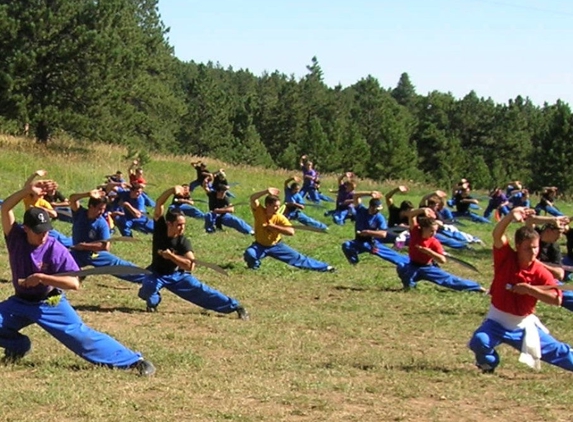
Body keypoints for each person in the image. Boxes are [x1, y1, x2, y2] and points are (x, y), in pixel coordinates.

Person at [0, 178, 155, 375]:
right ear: (26, 229)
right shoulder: (15, 237)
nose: (44, 236)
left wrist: (42, 278)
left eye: (47, 231)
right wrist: (26, 190)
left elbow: (74, 283)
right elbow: (5, 209)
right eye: (38, 232)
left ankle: (133, 361)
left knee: (80, 336)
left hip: (49, 302)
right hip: (20, 302)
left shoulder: (55, 248)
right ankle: (18, 346)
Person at [468, 207, 573, 373]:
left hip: (522, 325)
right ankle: (488, 364)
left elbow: (556, 299)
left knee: (559, 353)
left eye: (535, 248)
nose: (533, 253)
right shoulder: (506, 258)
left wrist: (530, 290)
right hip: (496, 322)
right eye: (527, 248)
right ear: (517, 246)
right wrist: (510, 216)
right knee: (479, 341)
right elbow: (497, 234)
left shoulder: (540, 271)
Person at [137, 186, 248, 319]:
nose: (182, 228)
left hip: (177, 275)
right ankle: (153, 302)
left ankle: (235, 307)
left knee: (203, 291)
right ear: (169, 224)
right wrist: (172, 190)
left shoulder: (183, 242)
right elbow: (160, 202)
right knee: (147, 290)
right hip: (156, 273)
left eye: (184, 225)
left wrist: (171, 256)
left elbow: (190, 265)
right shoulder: (160, 227)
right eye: (179, 225)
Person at [243, 187, 334, 272]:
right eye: (275, 206)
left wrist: (274, 227)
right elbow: (253, 198)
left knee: (299, 259)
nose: (278, 208)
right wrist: (266, 191)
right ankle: (254, 268)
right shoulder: (259, 211)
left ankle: (325, 267)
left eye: (278, 206)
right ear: (268, 205)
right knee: (250, 253)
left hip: (276, 246)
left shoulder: (280, 217)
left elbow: (291, 232)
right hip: (259, 246)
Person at [396, 207, 485, 292]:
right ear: (423, 228)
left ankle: (476, 287)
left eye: (435, 231)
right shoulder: (415, 232)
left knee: (450, 280)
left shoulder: (434, 242)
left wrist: (428, 251)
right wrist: (423, 210)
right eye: (431, 230)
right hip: (413, 266)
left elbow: (442, 260)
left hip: (427, 268)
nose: (434, 233)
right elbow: (411, 215)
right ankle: (409, 286)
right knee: (401, 266)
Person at [68, 189, 146, 283]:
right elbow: (72, 199)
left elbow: (106, 246)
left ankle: (147, 278)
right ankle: (77, 274)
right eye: (99, 209)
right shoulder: (80, 213)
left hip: (93, 253)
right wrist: (87, 194)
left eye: (104, 209)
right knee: (58, 263)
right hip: (76, 253)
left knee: (117, 266)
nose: (102, 212)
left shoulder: (102, 223)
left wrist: (84, 246)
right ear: (91, 207)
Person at [341, 191, 409, 267]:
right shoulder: (361, 210)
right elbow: (355, 196)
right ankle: (354, 264)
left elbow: (383, 234)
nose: (377, 211)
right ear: (371, 207)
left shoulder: (379, 217)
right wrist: (369, 193)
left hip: (372, 243)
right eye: (376, 209)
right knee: (346, 245)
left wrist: (368, 232)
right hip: (359, 241)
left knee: (392, 257)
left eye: (379, 209)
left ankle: (407, 262)